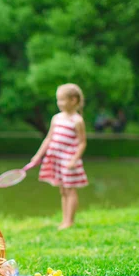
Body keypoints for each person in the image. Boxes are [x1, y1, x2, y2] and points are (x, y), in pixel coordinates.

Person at [31, 83, 88, 230]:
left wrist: (74, 160)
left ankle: (70, 221)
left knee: (70, 190)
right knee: (63, 190)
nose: (59, 103)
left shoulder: (77, 120)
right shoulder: (56, 118)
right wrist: (38, 155)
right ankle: (65, 220)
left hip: (69, 160)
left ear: (73, 100)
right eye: (58, 100)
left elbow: (82, 142)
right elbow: (49, 138)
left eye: (62, 100)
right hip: (56, 158)